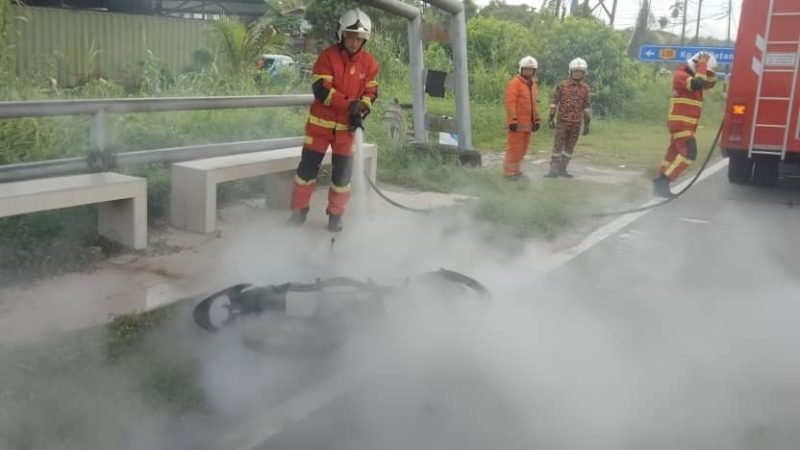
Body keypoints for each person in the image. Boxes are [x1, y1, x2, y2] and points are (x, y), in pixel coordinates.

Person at [287, 8, 379, 232]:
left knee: (342, 177)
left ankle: (335, 214)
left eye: (359, 38)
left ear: (364, 39)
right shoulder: (327, 57)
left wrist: (362, 109)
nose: (354, 42)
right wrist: (350, 105)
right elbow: (321, 90)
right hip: (319, 127)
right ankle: (299, 211)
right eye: (350, 36)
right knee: (306, 173)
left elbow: (371, 92)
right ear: (341, 34)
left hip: (346, 132)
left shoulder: (370, 64)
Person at [653, 51, 717, 198]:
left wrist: (706, 67)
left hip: (683, 124)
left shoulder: (694, 74)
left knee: (672, 154)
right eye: (703, 69)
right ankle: (663, 181)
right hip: (680, 123)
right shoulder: (681, 75)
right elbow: (699, 83)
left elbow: (710, 83)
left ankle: (660, 183)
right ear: (696, 64)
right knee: (689, 153)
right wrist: (702, 64)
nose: (704, 73)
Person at [546, 57, 592, 178]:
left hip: (577, 123)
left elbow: (587, 107)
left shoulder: (586, 88)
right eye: (575, 71)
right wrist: (551, 117)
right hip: (562, 122)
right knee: (558, 146)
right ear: (570, 72)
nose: (577, 73)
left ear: (584, 73)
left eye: (580, 71)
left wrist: (587, 124)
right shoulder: (562, 85)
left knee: (569, 148)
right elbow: (554, 102)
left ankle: (562, 169)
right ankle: (553, 169)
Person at [503, 56, 542, 180]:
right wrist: (513, 121)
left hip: (528, 125)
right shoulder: (515, 83)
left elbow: (534, 104)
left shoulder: (533, 84)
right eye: (526, 69)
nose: (528, 72)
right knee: (514, 149)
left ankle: (516, 171)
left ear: (534, 71)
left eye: (530, 70)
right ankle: (509, 174)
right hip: (517, 124)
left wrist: (537, 120)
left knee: (522, 150)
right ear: (521, 69)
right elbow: (510, 103)